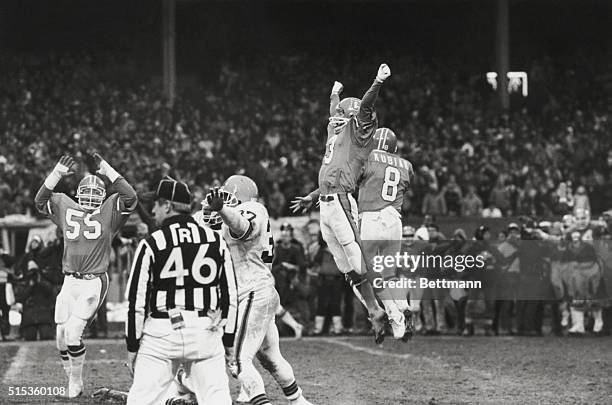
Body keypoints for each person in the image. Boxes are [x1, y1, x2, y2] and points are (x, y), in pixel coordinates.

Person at [291, 64, 392, 343]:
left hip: (341, 200)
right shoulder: (336, 135)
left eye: (340, 116)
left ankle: (392, 305)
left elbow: (366, 107)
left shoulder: (358, 135)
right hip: (325, 204)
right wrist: (334, 94)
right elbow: (334, 114)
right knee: (346, 267)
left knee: (358, 260)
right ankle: (374, 311)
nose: (334, 119)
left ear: (352, 118)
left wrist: (377, 81)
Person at [198, 175, 312, 405]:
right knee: (271, 357)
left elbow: (243, 228)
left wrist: (222, 210)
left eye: (228, 198)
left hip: (252, 291)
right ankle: (299, 401)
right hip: (256, 292)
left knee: (237, 360)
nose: (224, 203)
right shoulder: (227, 216)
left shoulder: (253, 208)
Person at [125, 178, 237, 405]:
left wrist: (132, 346)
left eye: (156, 204)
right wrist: (228, 339)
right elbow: (230, 296)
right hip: (205, 329)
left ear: (167, 206)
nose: (153, 209)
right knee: (217, 399)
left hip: (162, 333)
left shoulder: (152, 242)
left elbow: (136, 301)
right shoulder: (215, 240)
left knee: (141, 401)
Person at [34, 153, 137, 398]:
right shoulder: (64, 204)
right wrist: (57, 173)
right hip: (70, 281)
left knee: (72, 333)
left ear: (103, 196)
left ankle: (75, 384)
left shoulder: (110, 211)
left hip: (93, 281)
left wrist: (107, 169)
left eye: (96, 193)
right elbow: (40, 201)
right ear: (77, 193)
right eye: (86, 192)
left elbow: (131, 196)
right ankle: (71, 379)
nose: (91, 197)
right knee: (60, 335)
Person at [357, 127, 414, 340]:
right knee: (390, 273)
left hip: (371, 217)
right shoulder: (407, 165)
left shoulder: (368, 157)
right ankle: (403, 305)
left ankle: (395, 317)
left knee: (371, 273)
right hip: (394, 219)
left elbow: (354, 179)